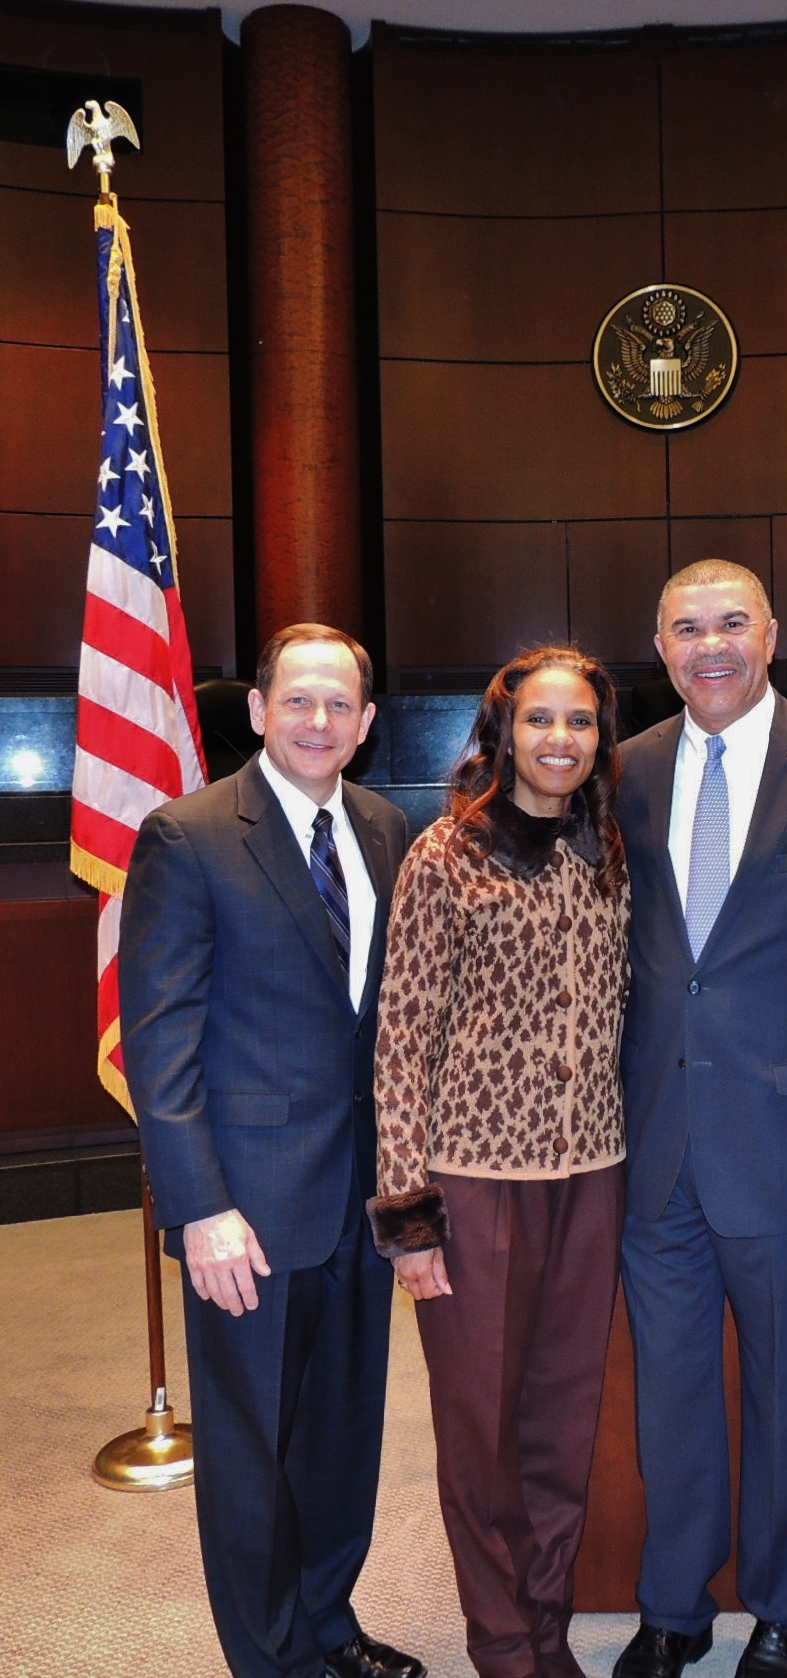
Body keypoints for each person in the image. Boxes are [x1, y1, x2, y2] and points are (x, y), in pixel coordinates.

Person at [119, 624, 423, 1678]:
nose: (318, 720)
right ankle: (272, 1659)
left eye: (339, 704)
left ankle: (329, 1625)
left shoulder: (386, 827)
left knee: (341, 1435)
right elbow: (160, 1041)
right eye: (297, 700)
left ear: (368, 723)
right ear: (257, 710)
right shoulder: (188, 834)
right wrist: (198, 1206)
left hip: (361, 1202)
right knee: (251, 1451)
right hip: (244, 1209)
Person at [614, 560, 787, 1678]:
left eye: (733, 622)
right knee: (670, 1397)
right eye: (689, 627)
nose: (712, 644)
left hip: (786, 1152)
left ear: (773, 633)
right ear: (661, 644)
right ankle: (674, 1606)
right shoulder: (622, 769)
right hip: (657, 1146)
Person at [366, 647, 630, 1678]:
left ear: (600, 737)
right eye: (540, 721)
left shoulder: (609, 847)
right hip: (473, 1183)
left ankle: (549, 1626)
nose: (560, 739)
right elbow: (402, 1036)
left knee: (563, 1427)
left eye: (580, 722)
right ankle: (504, 1642)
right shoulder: (447, 853)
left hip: (593, 1174)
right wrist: (410, 1213)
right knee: (481, 1430)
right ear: (504, 732)